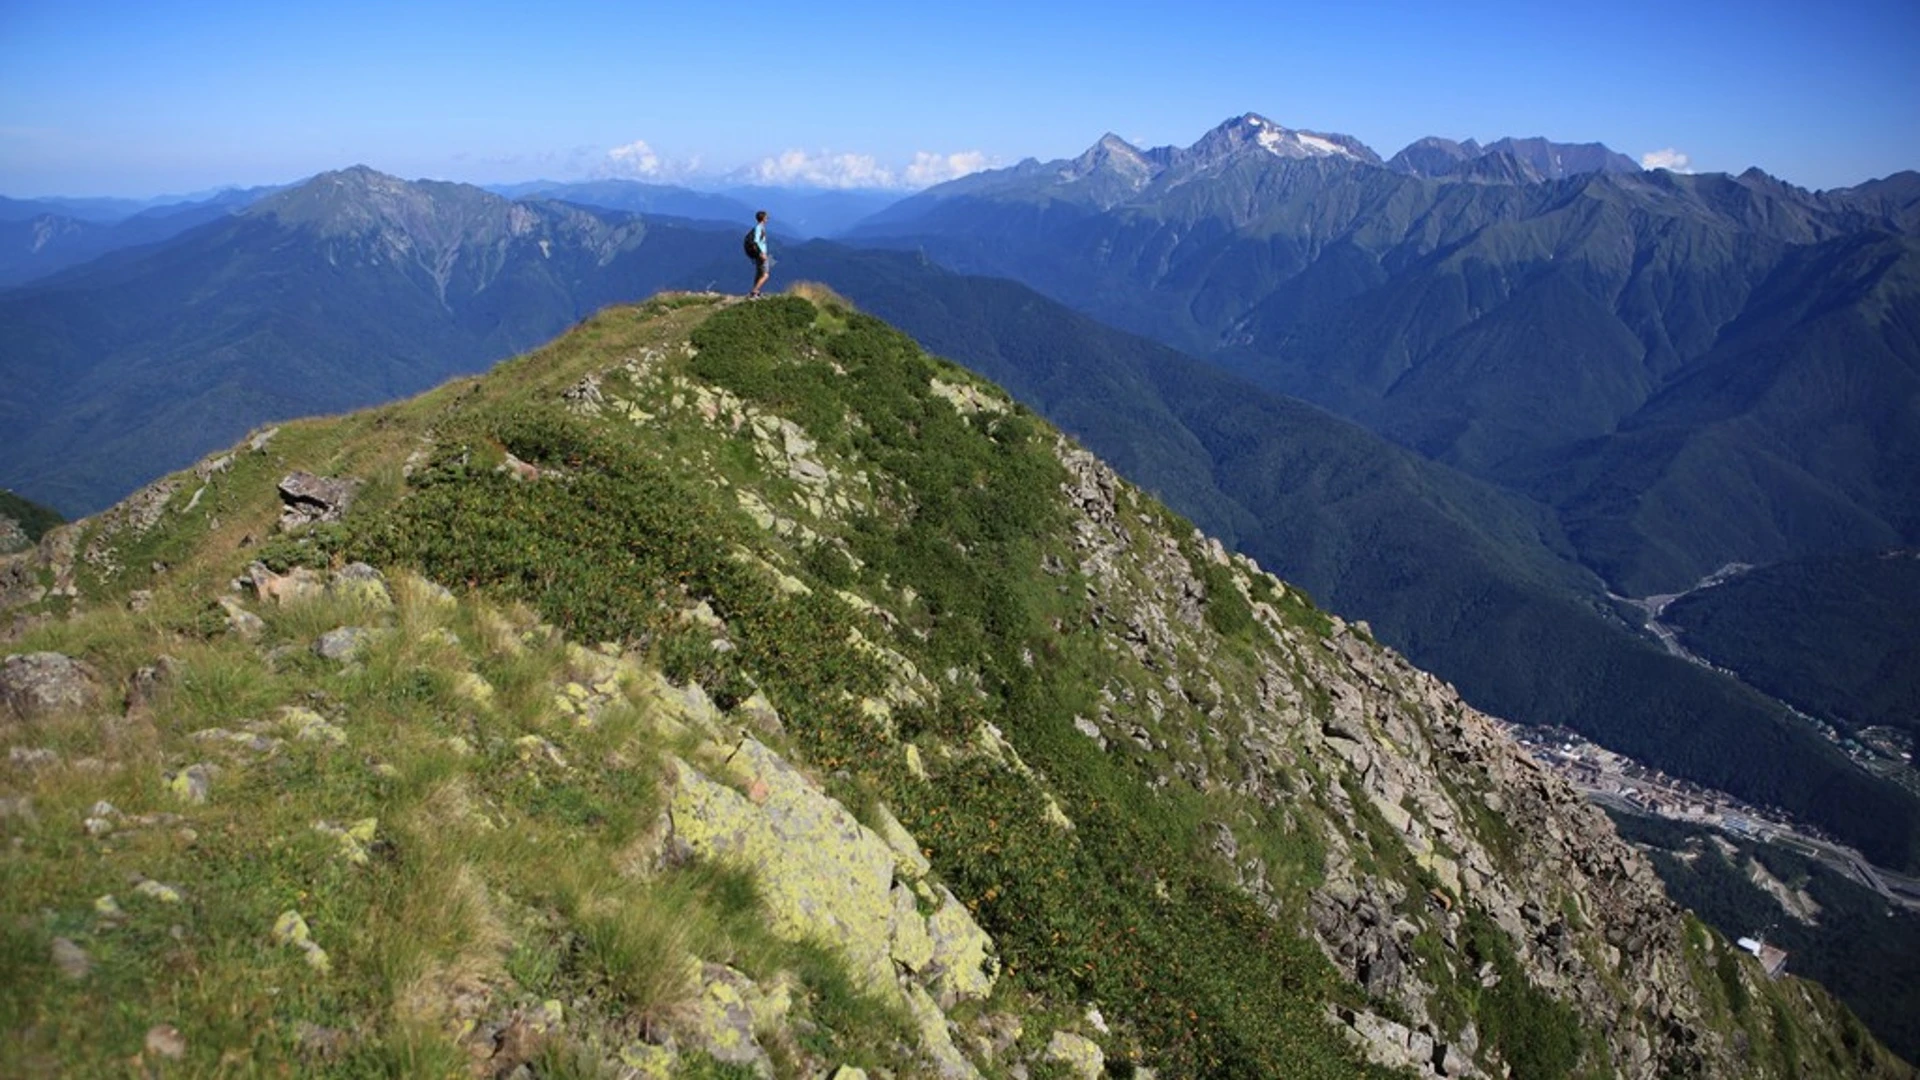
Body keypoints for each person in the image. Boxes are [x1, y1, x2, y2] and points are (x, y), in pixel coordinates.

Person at [747, 210, 770, 299]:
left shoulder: (760, 227)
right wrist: (761, 254)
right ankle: (754, 291)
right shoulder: (759, 228)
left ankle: (756, 292)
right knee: (766, 275)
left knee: (759, 273)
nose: (768, 219)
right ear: (763, 218)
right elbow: (755, 242)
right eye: (767, 217)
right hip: (761, 254)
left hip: (760, 254)